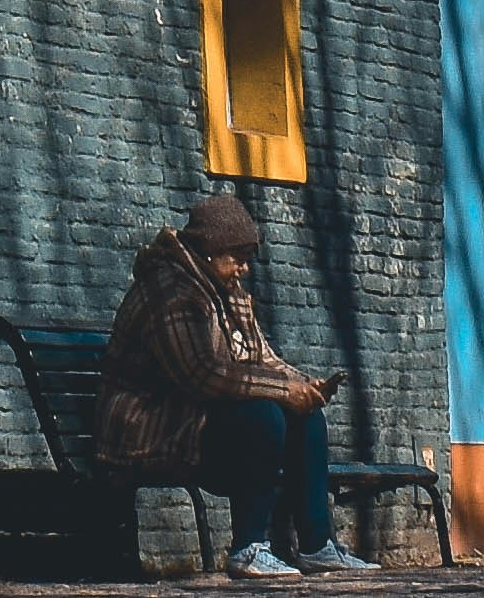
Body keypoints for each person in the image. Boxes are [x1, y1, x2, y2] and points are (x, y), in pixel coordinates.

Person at [102, 195, 374, 578]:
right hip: (149, 430)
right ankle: (248, 547)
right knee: (262, 416)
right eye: (237, 257)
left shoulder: (226, 294)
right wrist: (280, 392)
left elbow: (261, 358)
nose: (244, 268)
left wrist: (299, 385)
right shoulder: (170, 291)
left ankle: (317, 546)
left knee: (304, 416)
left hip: (192, 423)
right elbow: (201, 374)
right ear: (208, 252)